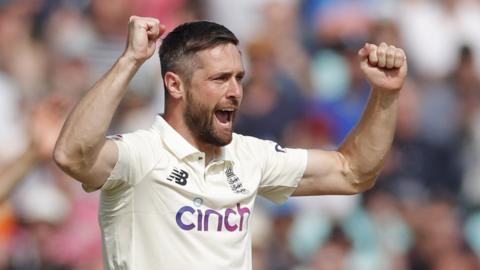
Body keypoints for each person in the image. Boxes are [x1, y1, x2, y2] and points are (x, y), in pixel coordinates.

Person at [53, 16, 407, 270]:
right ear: (174, 85)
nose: (236, 91)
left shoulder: (249, 156)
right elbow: (72, 154)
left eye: (239, 77)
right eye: (220, 79)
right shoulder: (142, 154)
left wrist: (384, 93)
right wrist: (130, 60)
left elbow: (352, 173)